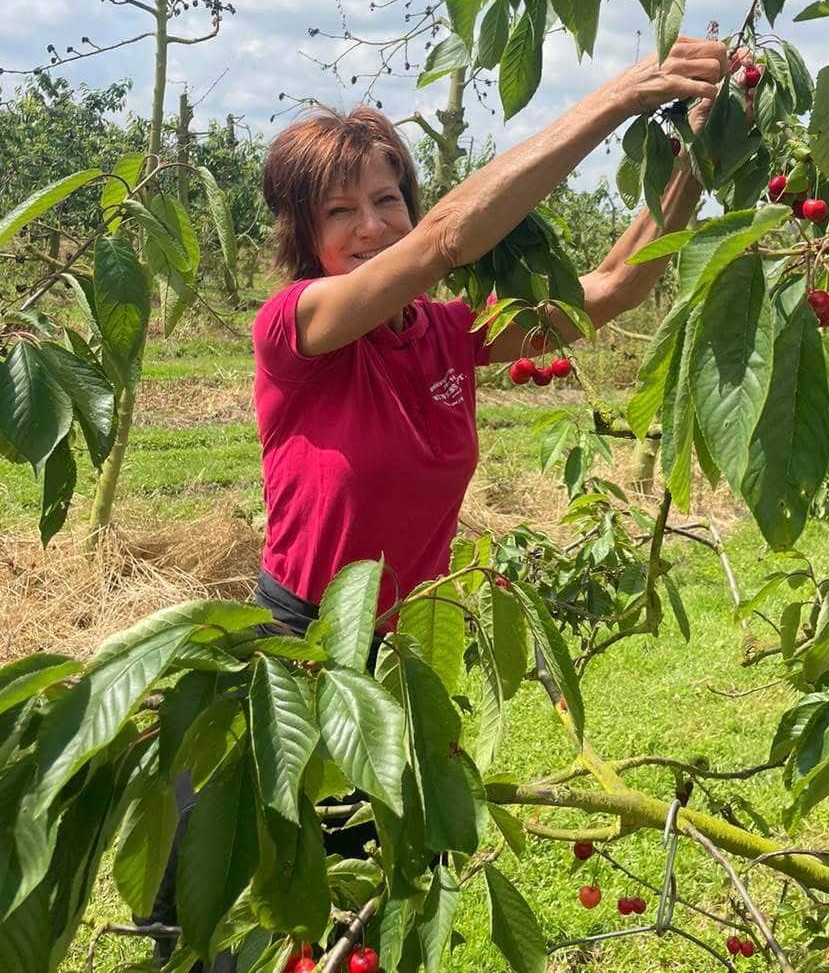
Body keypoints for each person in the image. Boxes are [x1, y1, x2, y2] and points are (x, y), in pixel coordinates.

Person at [250, 36, 730, 639]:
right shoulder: (294, 326)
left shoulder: (451, 330)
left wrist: (694, 157)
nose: (372, 227)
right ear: (305, 234)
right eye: (339, 212)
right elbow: (444, 242)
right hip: (302, 634)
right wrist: (618, 97)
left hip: (410, 637)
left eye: (385, 200)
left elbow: (612, 288)